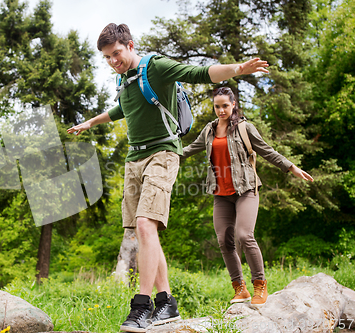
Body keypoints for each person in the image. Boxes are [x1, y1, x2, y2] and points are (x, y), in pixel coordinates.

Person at [67, 23, 269, 332]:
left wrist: (239, 69)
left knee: (147, 224)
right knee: (142, 230)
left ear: (130, 45)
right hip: (134, 158)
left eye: (116, 54)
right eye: (107, 57)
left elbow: (198, 73)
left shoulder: (156, 67)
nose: (113, 61)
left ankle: (141, 305)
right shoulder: (125, 79)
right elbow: (123, 108)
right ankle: (166, 303)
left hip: (162, 153)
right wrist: (91, 122)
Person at [182, 87, 314, 308]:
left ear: (233, 104)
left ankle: (260, 284)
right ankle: (239, 288)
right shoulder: (209, 130)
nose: (221, 110)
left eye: (225, 105)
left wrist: (291, 167)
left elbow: (267, 150)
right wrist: (166, 154)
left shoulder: (244, 128)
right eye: (217, 106)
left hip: (246, 190)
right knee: (224, 240)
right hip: (221, 194)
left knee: (244, 235)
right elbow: (189, 149)